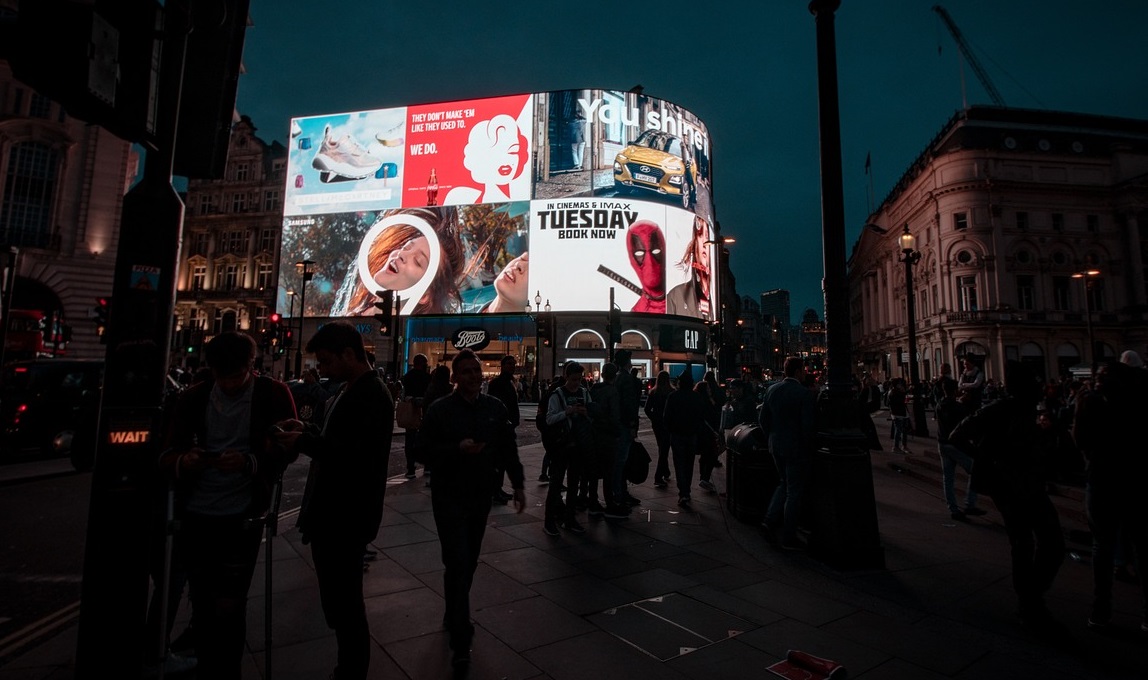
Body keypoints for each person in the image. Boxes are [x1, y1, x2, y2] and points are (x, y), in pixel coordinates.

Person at [158, 332, 297, 680]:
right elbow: (167, 452)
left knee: (230, 603)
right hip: (197, 513)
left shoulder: (273, 394)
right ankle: (207, 665)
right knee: (203, 602)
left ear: (252, 366)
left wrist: (251, 462)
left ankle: (227, 671)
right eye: (223, 377)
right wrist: (185, 460)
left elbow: (290, 445)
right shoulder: (193, 398)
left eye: (236, 376)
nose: (230, 384)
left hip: (243, 515)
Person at [273, 322, 394, 679]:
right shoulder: (350, 388)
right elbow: (336, 438)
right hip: (336, 513)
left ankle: (350, 671)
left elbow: (351, 454)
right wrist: (306, 430)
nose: (321, 369)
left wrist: (301, 443)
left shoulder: (371, 393)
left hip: (346, 514)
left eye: (325, 361)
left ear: (348, 354)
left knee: (346, 607)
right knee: (339, 603)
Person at [421, 349, 525, 669]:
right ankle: (460, 638)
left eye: (476, 371)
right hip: (448, 496)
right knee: (457, 560)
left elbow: (508, 449)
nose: (472, 377)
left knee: (469, 560)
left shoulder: (494, 407)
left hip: (480, 496)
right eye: (465, 371)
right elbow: (421, 450)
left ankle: (454, 606)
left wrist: (518, 484)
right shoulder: (440, 410)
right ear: (454, 377)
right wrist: (456, 449)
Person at [950, 360, 1066, 638]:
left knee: (1052, 543)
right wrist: (988, 461)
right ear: (1025, 387)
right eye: (1036, 383)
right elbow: (957, 435)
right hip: (1010, 486)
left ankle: (1031, 595)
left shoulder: (1033, 411)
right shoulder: (999, 409)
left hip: (1031, 484)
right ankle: (1029, 602)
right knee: (1023, 542)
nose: (1041, 387)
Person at [1072, 359, 1148, 633]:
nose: (1097, 380)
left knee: (1103, 547)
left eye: (1102, 376)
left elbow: (1079, 440)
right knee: (1137, 546)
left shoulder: (1092, 402)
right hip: (1132, 480)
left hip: (1104, 480)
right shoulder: (1138, 403)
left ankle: (1101, 610)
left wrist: (1080, 407)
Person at [336, 207, 465, 317]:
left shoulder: (412, 341)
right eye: (405, 247)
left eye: (417, 261)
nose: (402, 254)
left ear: (424, 295)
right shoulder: (351, 315)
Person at [758, 357, 817, 551]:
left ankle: (769, 520)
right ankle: (788, 536)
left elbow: (763, 419)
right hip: (796, 448)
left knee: (783, 483)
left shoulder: (772, 390)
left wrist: (771, 437)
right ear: (799, 371)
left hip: (775, 445)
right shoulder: (804, 394)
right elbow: (807, 426)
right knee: (794, 491)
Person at [543, 361, 594, 535]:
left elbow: (593, 415)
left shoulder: (584, 393)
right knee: (556, 482)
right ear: (566, 377)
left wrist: (586, 413)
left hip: (579, 443)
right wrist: (568, 412)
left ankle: (569, 518)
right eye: (573, 379)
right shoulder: (557, 395)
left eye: (579, 379)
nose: (576, 383)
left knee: (574, 483)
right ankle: (549, 521)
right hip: (562, 444)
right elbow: (549, 419)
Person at [444, 114, 530, 205]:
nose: (505, 159)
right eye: (495, 153)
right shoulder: (459, 196)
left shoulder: (524, 194)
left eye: (512, 151)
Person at [934, 378, 984, 521]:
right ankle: (969, 503)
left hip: (942, 443)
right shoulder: (958, 407)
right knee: (975, 471)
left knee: (948, 478)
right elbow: (965, 426)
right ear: (955, 390)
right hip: (955, 445)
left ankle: (953, 509)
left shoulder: (939, 404)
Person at [663, 369, 709, 509]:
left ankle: (683, 491)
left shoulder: (673, 396)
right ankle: (686, 491)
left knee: (679, 463)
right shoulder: (697, 397)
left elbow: (666, 417)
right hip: (691, 434)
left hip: (677, 434)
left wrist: (669, 430)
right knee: (689, 463)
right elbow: (702, 416)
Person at [587, 362, 625, 519]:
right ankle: (610, 503)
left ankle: (593, 501)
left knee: (595, 471)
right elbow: (615, 415)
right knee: (609, 470)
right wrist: (617, 431)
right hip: (607, 434)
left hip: (594, 433)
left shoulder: (594, 390)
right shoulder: (612, 392)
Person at [486, 355, 520, 504]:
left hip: (507, 425)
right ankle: (495, 490)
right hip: (501, 427)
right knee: (498, 461)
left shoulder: (509, 382)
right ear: (503, 366)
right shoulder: (498, 383)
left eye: (513, 364)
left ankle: (498, 488)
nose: (512, 366)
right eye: (509, 364)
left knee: (503, 461)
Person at [610, 350, 642, 508]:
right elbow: (630, 404)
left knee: (619, 461)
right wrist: (632, 425)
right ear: (627, 362)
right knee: (621, 461)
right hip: (624, 425)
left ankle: (619, 492)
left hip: (618, 424)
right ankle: (619, 493)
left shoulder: (617, 377)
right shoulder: (627, 379)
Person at [666, 215, 712, 320]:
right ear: (695, 242)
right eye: (701, 235)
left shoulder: (716, 299)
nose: (705, 243)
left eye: (708, 236)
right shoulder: (676, 296)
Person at [625, 220, 667, 313]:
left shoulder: (680, 299)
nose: (650, 262)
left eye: (655, 251)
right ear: (632, 259)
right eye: (640, 253)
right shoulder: (638, 312)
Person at [401, 354, 431, 479]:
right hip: (425, 410)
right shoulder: (428, 378)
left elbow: (403, 395)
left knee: (410, 440)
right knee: (427, 439)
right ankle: (427, 467)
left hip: (412, 410)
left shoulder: (407, 377)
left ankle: (411, 468)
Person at [644, 371, 673, 488]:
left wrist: (654, 418)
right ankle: (659, 475)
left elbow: (647, 409)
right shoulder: (671, 393)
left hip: (657, 424)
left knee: (662, 447)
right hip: (667, 424)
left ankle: (665, 471)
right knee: (664, 449)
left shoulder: (653, 393)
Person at [694, 379, 723, 492]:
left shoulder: (698, 401)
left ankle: (703, 477)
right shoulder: (707, 402)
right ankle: (705, 478)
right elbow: (712, 416)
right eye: (708, 389)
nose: (710, 390)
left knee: (705, 455)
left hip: (702, 432)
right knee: (711, 454)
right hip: (709, 431)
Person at [887, 378, 911, 454]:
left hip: (902, 413)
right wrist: (904, 392)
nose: (900, 385)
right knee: (898, 430)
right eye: (899, 384)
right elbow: (898, 401)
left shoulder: (896, 391)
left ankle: (903, 445)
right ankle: (896, 447)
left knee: (903, 430)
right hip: (898, 413)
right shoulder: (893, 392)